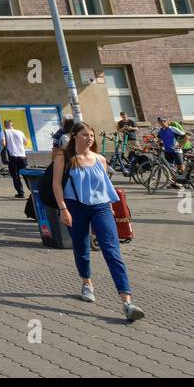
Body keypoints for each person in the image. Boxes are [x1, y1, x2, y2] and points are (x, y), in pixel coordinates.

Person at [52, 121, 145, 321]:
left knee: (112, 251)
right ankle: (87, 282)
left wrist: (111, 209)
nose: (89, 138)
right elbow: (56, 184)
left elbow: (105, 186)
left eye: (92, 135)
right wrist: (63, 209)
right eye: (85, 135)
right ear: (74, 136)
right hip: (75, 207)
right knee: (81, 246)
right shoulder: (65, 158)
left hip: (101, 208)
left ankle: (127, 302)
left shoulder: (101, 159)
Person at [1, 119, 28, 198]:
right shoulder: (20, 132)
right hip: (23, 156)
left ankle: (21, 193)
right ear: (12, 125)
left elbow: (3, 143)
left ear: (5, 125)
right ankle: (32, 191)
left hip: (12, 157)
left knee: (15, 176)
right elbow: (25, 143)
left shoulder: (4, 132)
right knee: (26, 175)